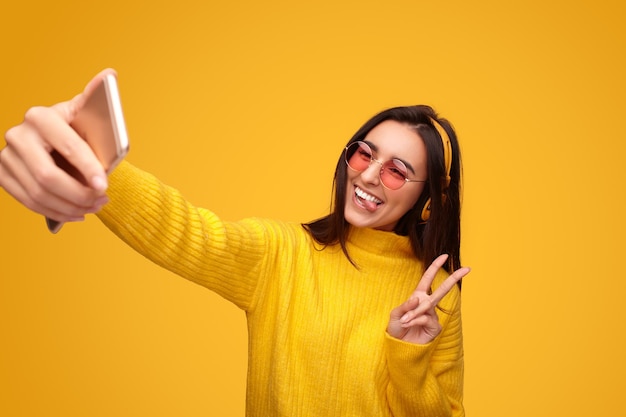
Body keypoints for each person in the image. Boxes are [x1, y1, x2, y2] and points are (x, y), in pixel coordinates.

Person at [0, 69, 471, 416]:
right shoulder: (283, 253)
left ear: (426, 201)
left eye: (395, 170)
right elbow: (184, 230)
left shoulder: (433, 297)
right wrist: (95, 161)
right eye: (363, 153)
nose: (368, 174)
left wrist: (409, 356)